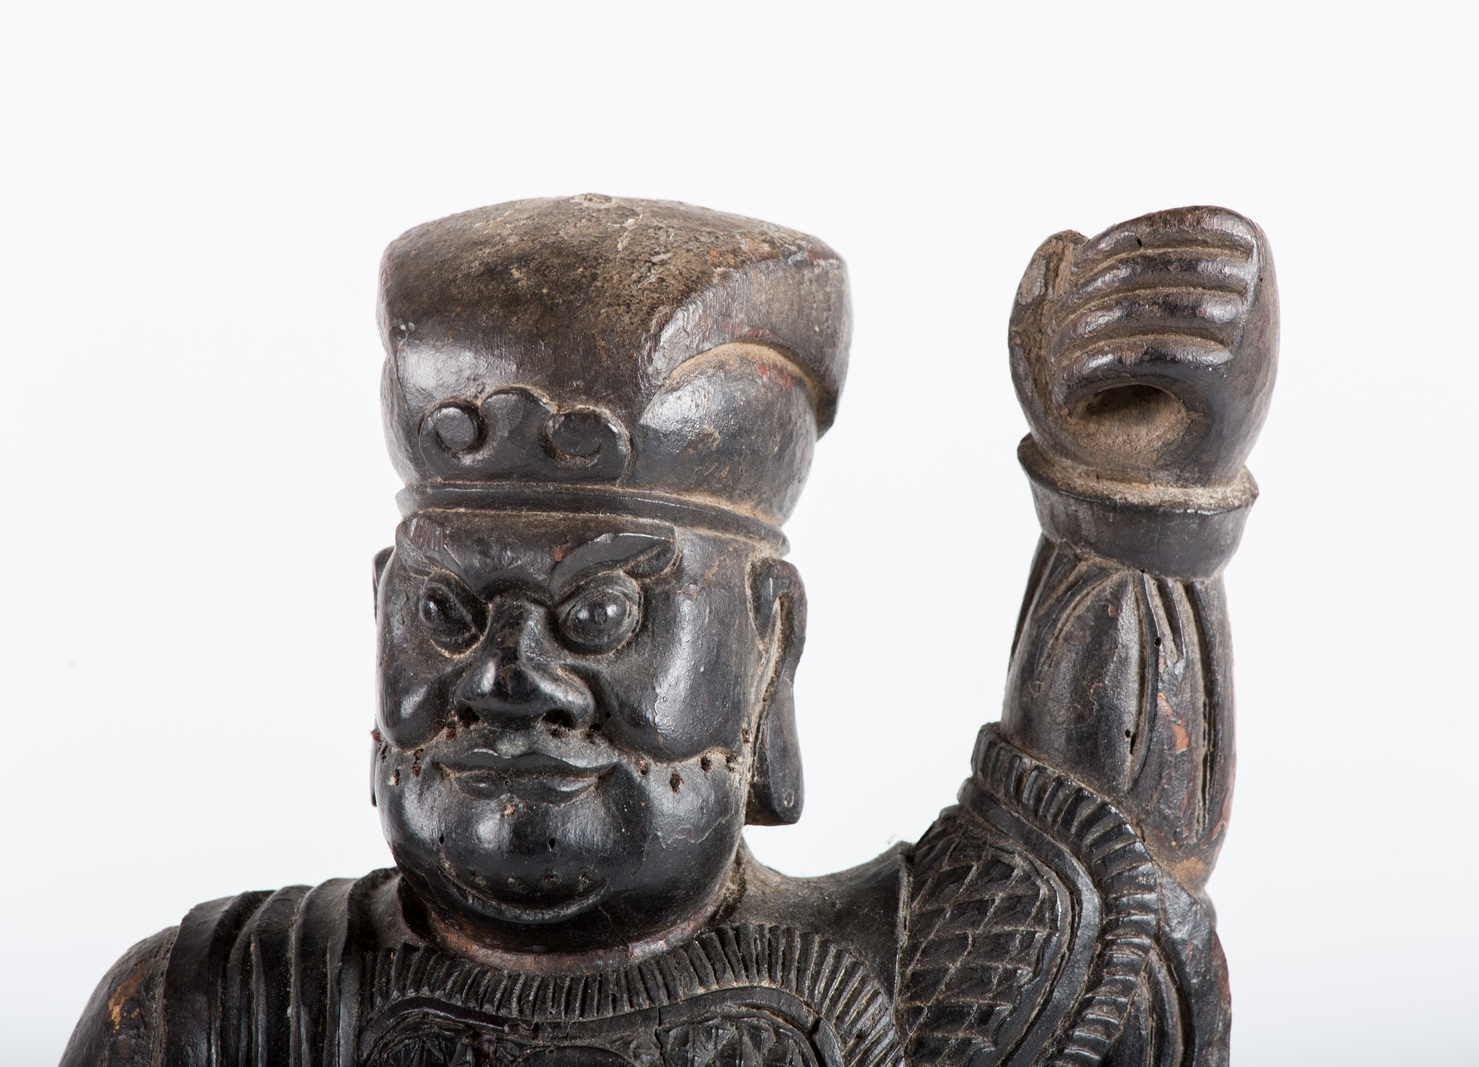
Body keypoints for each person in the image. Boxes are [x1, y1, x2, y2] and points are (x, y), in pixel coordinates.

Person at [61, 193, 1276, 1067]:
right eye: (446, 612)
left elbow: (1099, 875)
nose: (507, 678)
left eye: (601, 614)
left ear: (767, 646)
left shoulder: (882, 996)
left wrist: (1132, 498)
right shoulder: (223, 1008)